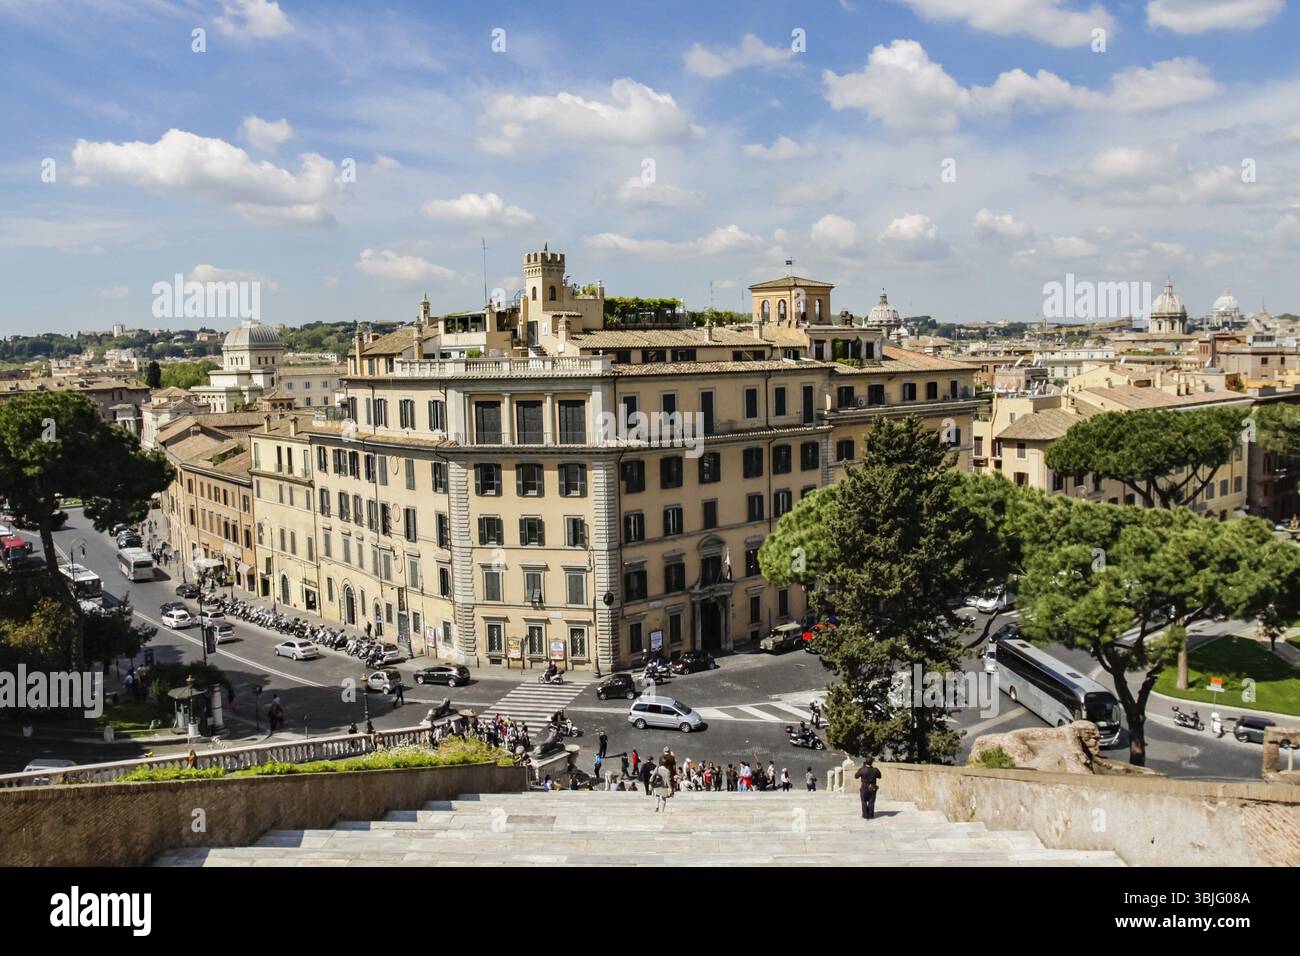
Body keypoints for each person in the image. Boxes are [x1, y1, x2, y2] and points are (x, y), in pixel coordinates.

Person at [854, 756, 882, 820]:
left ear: (865, 762)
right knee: (871, 801)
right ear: (872, 762)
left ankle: (865, 815)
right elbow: (879, 776)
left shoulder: (862, 770)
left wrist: (862, 768)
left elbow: (856, 776)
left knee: (863, 801)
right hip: (872, 787)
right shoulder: (875, 770)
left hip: (864, 787)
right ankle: (871, 815)